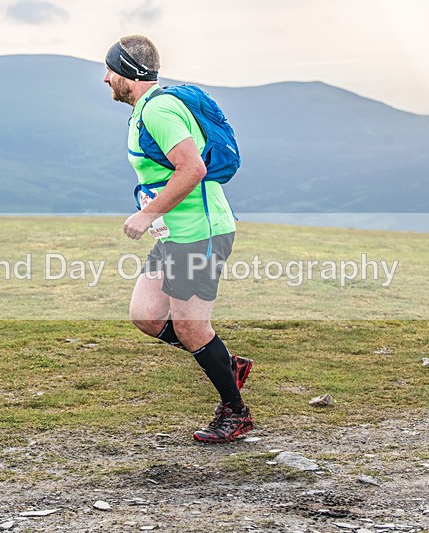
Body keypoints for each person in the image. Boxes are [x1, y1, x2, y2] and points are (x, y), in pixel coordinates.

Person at [103, 35, 254, 443]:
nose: (106, 79)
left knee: (190, 328)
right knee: (147, 316)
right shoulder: (145, 110)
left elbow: (192, 170)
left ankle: (235, 413)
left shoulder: (161, 111)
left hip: (200, 233)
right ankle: (224, 361)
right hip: (174, 235)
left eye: (111, 70)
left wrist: (147, 212)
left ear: (128, 74)